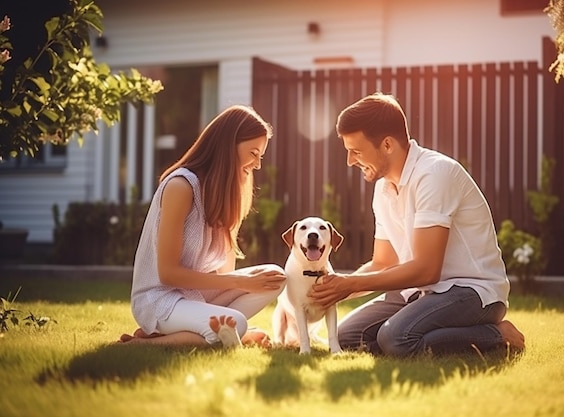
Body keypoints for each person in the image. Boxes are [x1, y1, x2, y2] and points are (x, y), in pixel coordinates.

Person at [309, 93, 525, 357]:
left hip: (472, 292)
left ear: (387, 145)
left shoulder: (434, 174)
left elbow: (427, 270)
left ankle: (497, 335)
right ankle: (423, 332)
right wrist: (331, 290)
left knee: (396, 339)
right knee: (346, 337)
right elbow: (383, 263)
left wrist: (349, 284)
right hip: (422, 294)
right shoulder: (384, 188)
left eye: (356, 151)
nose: (350, 161)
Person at [119, 105, 286, 348]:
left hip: (194, 297)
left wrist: (237, 283)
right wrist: (238, 283)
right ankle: (143, 345)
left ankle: (210, 331)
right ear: (229, 145)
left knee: (276, 276)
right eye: (253, 153)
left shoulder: (226, 191)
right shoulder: (181, 186)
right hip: (160, 299)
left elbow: (224, 268)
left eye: (260, 156)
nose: (257, 165)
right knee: (235, 323)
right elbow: (167, 274)